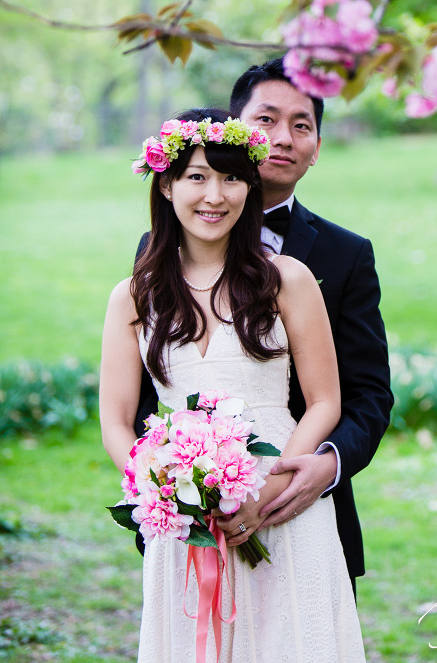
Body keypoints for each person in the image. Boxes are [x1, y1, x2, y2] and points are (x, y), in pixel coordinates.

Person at [100, 109, 366, 662]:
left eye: (231, 178)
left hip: (282, 502)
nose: (214, 195)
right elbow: (117, 420)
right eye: (197, 176)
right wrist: (165, 491)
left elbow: (324, 402)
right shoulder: (133, 295)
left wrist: (266, 494)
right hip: (184, 520)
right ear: (167, 183)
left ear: (250, 186)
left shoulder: (285, 279)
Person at [134, 58, 393, 590]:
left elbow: (367, 392)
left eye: (302, 125)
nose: (283, 138)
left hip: (299, 504)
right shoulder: (159, 252)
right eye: (266, 120)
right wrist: (174, 486)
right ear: (232, 130)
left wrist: (328, 462)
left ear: (317, 146)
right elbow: (146, 381)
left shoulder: (345, 256)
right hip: (190, 512)